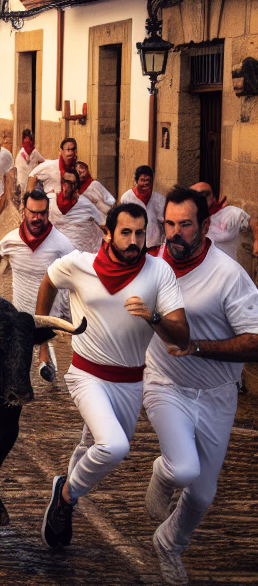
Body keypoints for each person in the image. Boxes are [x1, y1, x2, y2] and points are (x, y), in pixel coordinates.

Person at [37, 202, 188, 550]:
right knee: (113, 446)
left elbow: (181, 335)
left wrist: (153, 318)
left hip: (131, 381)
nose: (134, 240)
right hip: (86, 374)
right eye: (126, 232)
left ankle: (67, 484)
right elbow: (49, 281)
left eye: (140, 233)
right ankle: (66, 497)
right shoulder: (79, 264)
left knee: (93, 444)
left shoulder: (159, 272)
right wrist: (43, 334)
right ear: (107, 233)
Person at [144, 186, 258, 585]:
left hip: (218, 395)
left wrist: (197, 347)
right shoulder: (150, 265)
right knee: (183, 467)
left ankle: (169, 543)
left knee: (204, 495)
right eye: (169, 224)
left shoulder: (228, 275)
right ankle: (163, 471)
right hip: (165, 383)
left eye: (185, 225)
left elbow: (255, 341)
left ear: (206, 225)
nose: (175, 233)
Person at [0, 189, 76, 380]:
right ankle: (34, 368)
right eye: (33, 212)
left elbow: (76, 268)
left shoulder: (62, 242)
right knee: (22, 343)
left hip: (50, 306)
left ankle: (45, 359)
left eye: (42, 213)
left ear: (48, 212)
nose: (37, 218)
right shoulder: (12, 239)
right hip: (21, 304)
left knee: (41, 328)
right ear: (23, 210)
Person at [121, 165, 166, 253]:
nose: (145, 183)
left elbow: (165, 222)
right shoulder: (127, 198)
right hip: (133, 245)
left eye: (148, 180)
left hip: (154, 246)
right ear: (136, 181)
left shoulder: (159, 199)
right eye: (142, 180)